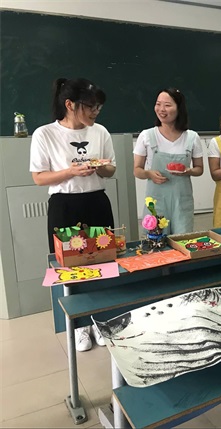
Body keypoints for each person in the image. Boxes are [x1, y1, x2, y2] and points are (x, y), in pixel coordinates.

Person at [30, 77, 116, 352]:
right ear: (69, 104)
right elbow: (39, 177)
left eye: (98, 108)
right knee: (70, 267)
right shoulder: (45, 134)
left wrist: (100, 167)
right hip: (64, 206)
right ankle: (79, 327)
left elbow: (111, 169)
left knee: (103, 262)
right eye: (91, 107)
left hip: (96, 202)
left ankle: (99, 320)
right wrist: (71, 171)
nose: (95, 112)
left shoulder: (100, 132)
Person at [133, 88, 204, 234]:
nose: (161, 109)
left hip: (182, 202)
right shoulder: (146, 136)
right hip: (156, 202)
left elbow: (199, 169)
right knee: (156, 242)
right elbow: (137, 170)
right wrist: (149, 174)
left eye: (167, 105)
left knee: (182, 241)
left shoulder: (192, 137)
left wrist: (188, 171)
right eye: (158, 104)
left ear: (179, 108)